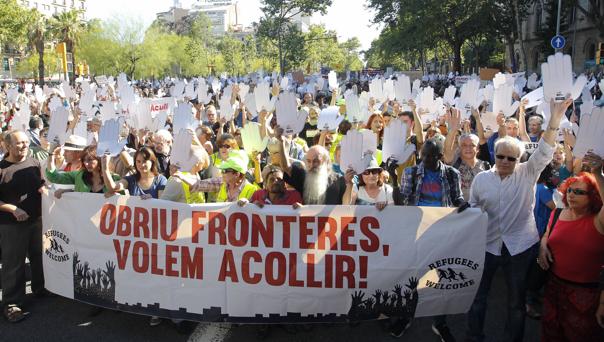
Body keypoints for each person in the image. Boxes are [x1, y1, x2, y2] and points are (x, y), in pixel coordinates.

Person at [466, 98, 572, 342]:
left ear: (519, 160)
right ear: (494, 155)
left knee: (516, 302)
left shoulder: (528, 172)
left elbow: (545, 149)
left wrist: (555, 118)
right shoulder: (482, 179)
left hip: (520, 247)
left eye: (511, 159)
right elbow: (474, 209)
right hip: (487, 246)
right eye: (501, 156)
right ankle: (474, 337)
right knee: (478, 297)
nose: (505, 161)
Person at [388, 138, 465, 341]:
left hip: (442, 233)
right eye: (423, 155)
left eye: (431, 156)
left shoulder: (451, 174)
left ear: (440, 156)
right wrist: (393, 178)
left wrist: (464, 206)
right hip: (416, 233)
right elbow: (401, 202)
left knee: (440, 278)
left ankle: (439, 322)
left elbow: (457, 198)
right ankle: (406, 316)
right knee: (411, 278)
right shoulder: (411, 173)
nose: (425, 159)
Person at [538, 152, 604, 342]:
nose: (572, 195)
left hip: (587, 294)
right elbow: (546, 235)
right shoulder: (558, 213)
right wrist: (543, 246)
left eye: (579, 192)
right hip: (553, 288)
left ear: (593, 196)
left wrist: (598, 174)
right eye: (570, 190)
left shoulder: (598, 220)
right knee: (551, 334)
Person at [0, 130, 46, 323]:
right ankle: (11, 303)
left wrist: (44, 189)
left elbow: (42, 184)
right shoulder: (2, 169)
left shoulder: (34, 163)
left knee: (38, 257)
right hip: (12, 225)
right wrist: (13, 209)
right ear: (7, 146)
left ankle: (40, 288)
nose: (24, 146)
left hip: (36, 221)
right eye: (19, 143)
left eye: (26, 142)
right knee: (14, 264)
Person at [277, 127, 346, 205]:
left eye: (316, 161)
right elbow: (285, 167)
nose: (311, 165)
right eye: (309, 161)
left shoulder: (339, 180)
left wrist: (350, 184)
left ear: (325, 161)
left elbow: (348, 206)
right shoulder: (304, 178)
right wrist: (281, 142)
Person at [46, 145, 119, 196]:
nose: (86, 163)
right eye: (84, 160)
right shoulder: (79, 175)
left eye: (90, 160)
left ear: (100, 159)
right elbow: (54, 177)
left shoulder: (114, 178)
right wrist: (51, 154)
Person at [103, 146, 167, 200]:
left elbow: (162, 203)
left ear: (152, 162)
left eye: (144, 161)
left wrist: (152, 200)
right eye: (138, 161)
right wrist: (105, 168)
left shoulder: (161, 180)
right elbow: (113, 187)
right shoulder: (130, 179)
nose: (141, 165)